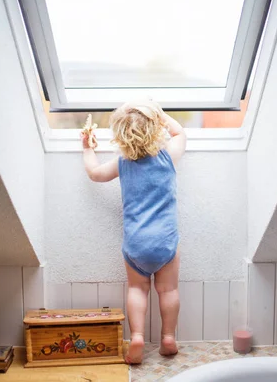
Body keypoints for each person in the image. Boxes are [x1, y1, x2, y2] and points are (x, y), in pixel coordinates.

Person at [81, 100, 186, 364]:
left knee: (138, 290)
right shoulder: (167, 157)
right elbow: (180, 133)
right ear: (155, 128)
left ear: (119, 135)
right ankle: (168, 337)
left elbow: (94, 173)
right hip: (166, 242)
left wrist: (87, 148)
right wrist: (162, 115)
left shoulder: (122, 163)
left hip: (136, 243)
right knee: (169, 290)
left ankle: (137, 336)